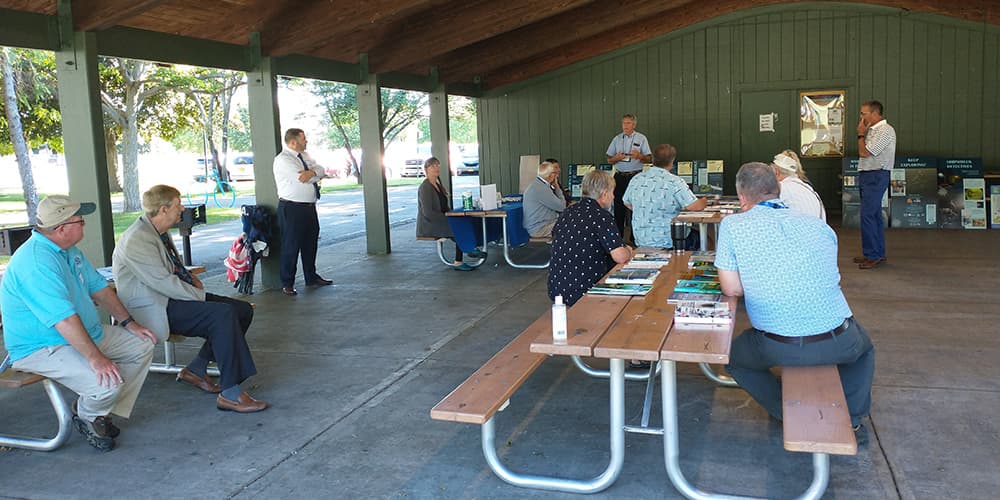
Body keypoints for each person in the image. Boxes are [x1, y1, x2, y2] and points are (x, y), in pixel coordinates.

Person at [716, 162, 874, 437]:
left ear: (742, 197)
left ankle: (784, 410)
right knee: (864, 352)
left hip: (777, 344)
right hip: (840, 337)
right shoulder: (818, 226)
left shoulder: (733, 226)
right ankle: (854, 417)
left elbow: (731, 289)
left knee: (733, 357)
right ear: (777, 189)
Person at [0, 195, 156, 451]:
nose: (84, 225)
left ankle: (96, 412)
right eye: (80, 221)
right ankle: (90, 413)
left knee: (142, 344)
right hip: (43, 347)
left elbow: (100, 289)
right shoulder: (36, 263)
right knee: (107, 382)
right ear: (61, 228)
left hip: (83, 335)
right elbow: (64, 321)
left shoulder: (67, 250)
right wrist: (97, 359)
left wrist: (129, 323)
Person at [113, 185, 268, 413]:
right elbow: (163, 282)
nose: (182, 209)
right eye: (178, 205)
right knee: (222, 314)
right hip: (152, 308)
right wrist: (201, 296)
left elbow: (173, 271)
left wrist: (192, 282)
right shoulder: (137, 238)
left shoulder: (157, 231)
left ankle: (197, 369)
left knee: (242, 309)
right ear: (164, 209)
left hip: (169, 298)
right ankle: (230, 393)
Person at [548, 170, 634, 307]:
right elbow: (621, 257)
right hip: (585, 289)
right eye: (612, 193)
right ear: (604, 194)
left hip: (557, 288)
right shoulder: (601, 216)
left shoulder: (567, 212)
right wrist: (629, 250)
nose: (613, 197)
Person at [273, 128, 333, 296]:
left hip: (309, 208)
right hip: (292, 208)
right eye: (303, 139)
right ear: (293, 142)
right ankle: (287, 282)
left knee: (310, 243)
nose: (306, 141)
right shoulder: (283, 160)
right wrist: (314, 174)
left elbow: (321, 169)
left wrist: (313, 172)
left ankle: (311, 277)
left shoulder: (305, 156)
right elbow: (302, 178)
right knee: (291, 245)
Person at [622, 144, 706, 248]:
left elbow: (627, 202)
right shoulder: (675, 181)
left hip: (641, 239)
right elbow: (695, 206)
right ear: (671, 162)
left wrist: (646, 208)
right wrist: (704, 201)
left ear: (653, 160)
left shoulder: (636, 179)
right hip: (669, 240)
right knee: (705, 238)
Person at [416, 157, 484, 271]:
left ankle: (468, 249)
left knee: (464, 221)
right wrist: (447, 218)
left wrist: (452, 215)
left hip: (442, 218)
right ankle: (467, 250)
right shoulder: (425, 188)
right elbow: (428, 213)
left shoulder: (438, 185)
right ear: (427, 169)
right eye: (433, 166)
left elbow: (444, 207)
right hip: (431, 223)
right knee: (457, 226)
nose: (436, 168)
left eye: (438, 165)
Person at [856, 100, 896, 269]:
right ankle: (876, 252)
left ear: (875, 113)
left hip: (876, 175)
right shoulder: (872, 131)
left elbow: (864, 152)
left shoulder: (885, 131)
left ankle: (873, 256)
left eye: (863, 114)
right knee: (874, 215)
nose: (861, 117)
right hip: (868, 175)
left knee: (867, 215)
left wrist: (860, 135)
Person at [605, 114, 652, 241]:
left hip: (636, 176)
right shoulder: (617, 139)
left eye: (628, 123)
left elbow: (649, 158)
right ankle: (618, 239)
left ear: (634, 125)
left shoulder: (641, 138)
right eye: (623, 123)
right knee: (619, 207)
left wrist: (639, 156)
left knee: (635, 207)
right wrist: (617, 158)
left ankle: (635, 238)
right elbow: (609, 159)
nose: (625, 126)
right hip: (619, 177)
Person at [771, 150, 826, 221]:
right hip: (819, 230)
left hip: (801, 230)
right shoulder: (807, 188)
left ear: (776, 172)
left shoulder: (781, 188)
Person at [522, 158, 566, 238]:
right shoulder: (541, 188)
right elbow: (562, 207)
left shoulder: (539, 184)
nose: (557, 176)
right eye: (555, 174)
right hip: (540, 228)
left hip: (543, 224)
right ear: (550, 175)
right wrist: (557, 187)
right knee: (572, 226)